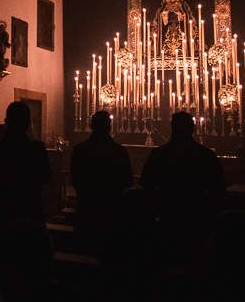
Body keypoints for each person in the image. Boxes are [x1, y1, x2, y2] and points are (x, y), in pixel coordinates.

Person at [140, 111, 225, 260]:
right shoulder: (206, 155)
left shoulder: (159, 155)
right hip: (195, 219)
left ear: (172, 127)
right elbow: (218, 190)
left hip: (168, 216)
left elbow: (146, 186)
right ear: (192, 128)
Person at [0, 101, 51, 245]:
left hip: (1, 215)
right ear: (28, 124)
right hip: (30, 214)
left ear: (6, 122)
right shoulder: (37, 149)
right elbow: (46, 178)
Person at [70, 111, 132, 251]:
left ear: (91, 126)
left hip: (86, 208)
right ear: (109, 127)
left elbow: (74, 179)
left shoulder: (80, 150)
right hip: (111, 211)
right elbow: (127, 181)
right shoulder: (119, 151)